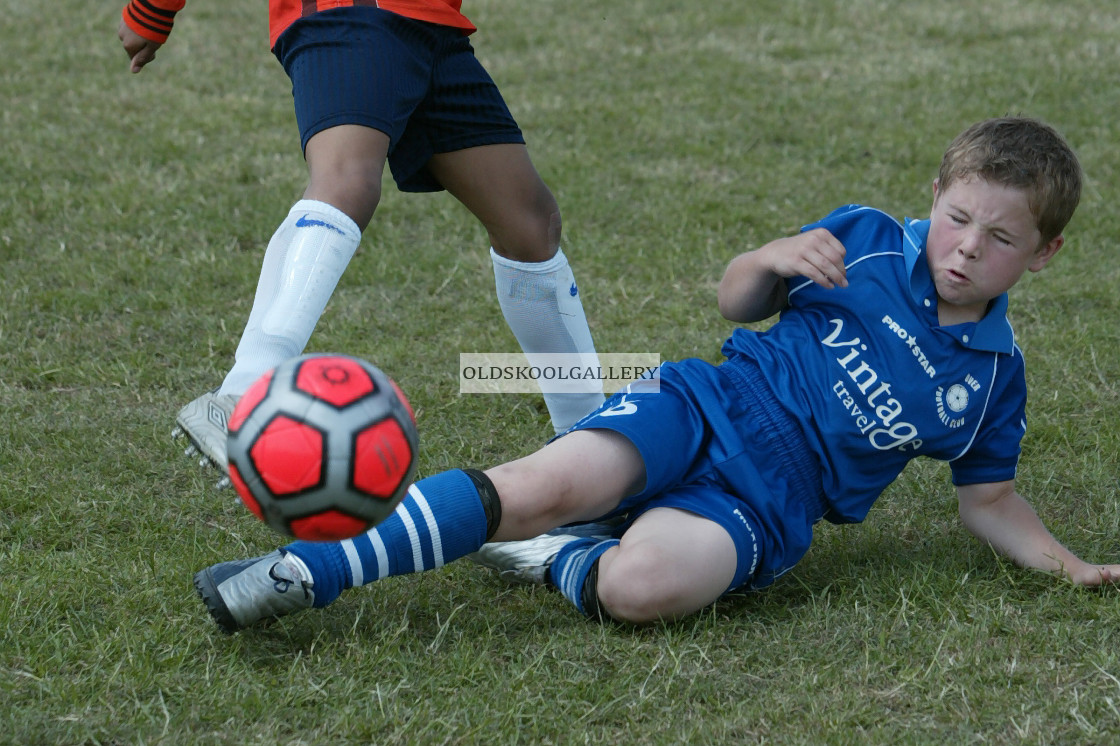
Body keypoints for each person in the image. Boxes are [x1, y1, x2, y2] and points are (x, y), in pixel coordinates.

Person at [193, 116, 1120, 634]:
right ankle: (301, 570)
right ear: (936, 197)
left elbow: (988, 501)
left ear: (1043, 254)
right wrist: (770, 255)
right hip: (706, 405)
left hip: (770, 503)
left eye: (1000, 239)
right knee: (543, 482)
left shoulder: (994, 380)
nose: (966, 248)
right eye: (960, 217)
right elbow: (733, 301)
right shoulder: (871, 242)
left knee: (646, 590)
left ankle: (560, 557)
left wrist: (1068, 563)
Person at [118, 0, 605, 477]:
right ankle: (242, 393)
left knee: (530, 225)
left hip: (432, 23)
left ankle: (587, 447)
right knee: (346, 179)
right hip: (351, 12)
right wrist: (152, 10)